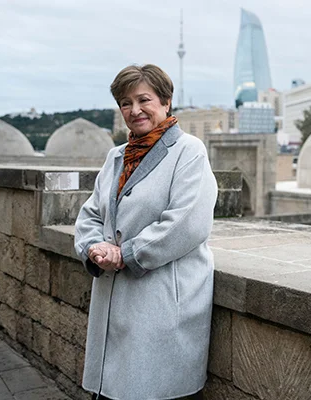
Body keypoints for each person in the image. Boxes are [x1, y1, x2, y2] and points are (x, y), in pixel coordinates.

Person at [74, 64, 217, 400]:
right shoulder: (116, 157)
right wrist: (95, 247)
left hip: (161, 300)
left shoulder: (189, 152)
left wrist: (127, 254)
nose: (134, 110)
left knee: (153, 387)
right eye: (125, 103)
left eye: (143, 100)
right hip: (115, 300)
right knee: (113, 388)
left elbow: (186, 222)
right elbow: (91, 214)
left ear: (166, 102)